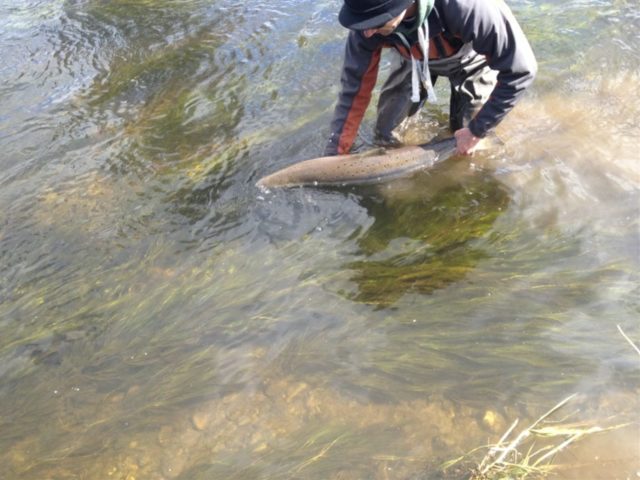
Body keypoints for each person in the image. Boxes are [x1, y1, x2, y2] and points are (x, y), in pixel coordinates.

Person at [324, 0, 537, 156]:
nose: (367, 33)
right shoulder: (365, 26)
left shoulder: (468, 7)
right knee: (385, 138)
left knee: (466, 147)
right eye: (362, 24)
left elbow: (521, 71)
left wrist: (477, 130)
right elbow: (354, 90)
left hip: (471, 60)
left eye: (376, 23)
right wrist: (336, 153)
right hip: (411, 59)